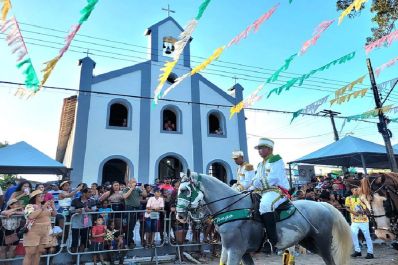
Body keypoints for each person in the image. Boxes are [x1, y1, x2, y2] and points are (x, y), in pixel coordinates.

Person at [251, 137, 290, 249]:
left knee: (265, 205)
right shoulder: (260, 164)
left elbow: (274, 178)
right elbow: (254, 180)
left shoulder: (276, 159)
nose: (259, 151)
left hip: (277, 190)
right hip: (263, 191)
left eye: (261, 148)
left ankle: (272, 241)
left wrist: (257, 182)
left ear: (269, 149)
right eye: (258, 149)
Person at [23, 189, 56, 265]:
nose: (42, 196)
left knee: (39, 252)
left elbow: (54, 214)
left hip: (45, 231)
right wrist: (43, 207)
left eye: (42, 195)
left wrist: (53, 206)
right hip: (33, 232)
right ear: (34, 197)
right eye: (39, 195)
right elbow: (31, 216)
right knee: (30, 253)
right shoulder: (29, 206)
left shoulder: (46, 205)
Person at [345, 185, 374, 259]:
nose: (356, 190)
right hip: (354, 221)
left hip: (364, 220)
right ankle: (357, 251)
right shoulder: (348, 198)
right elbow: (347, 208)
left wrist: (363, 211)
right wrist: (354, 213)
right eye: (355, 189)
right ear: (351, 190)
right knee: (353, 235)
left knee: (367, 236)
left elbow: (366, 208)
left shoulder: (362, 198)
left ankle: (370, 252)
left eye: (357, 189)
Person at [123, 178, 146, 248]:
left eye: (135, 182)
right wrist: (131, 188)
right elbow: (125, 196)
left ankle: (130, 240)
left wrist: (143, 188)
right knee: (129, 226)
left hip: (137, 209)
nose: (135, 183)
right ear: (129, 183)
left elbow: (145, 195)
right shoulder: (126, 189)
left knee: (133, 226)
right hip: (130, 208)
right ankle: (130, 242)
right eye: (133, 182)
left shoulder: (138, 189)